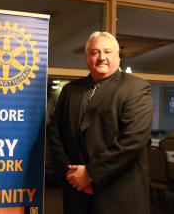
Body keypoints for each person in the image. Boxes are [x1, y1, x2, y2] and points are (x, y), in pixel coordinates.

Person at [48, 31, 153, 214]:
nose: (101, 57)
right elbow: (55, 132)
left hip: (118, 196)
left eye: (107, 52)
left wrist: (89, 174)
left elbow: (132, 141)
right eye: (95, 52)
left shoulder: (136, 88)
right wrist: (71, 174)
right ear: (87, 57)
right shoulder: (70, 90)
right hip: (76, 193)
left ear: (118, 57)